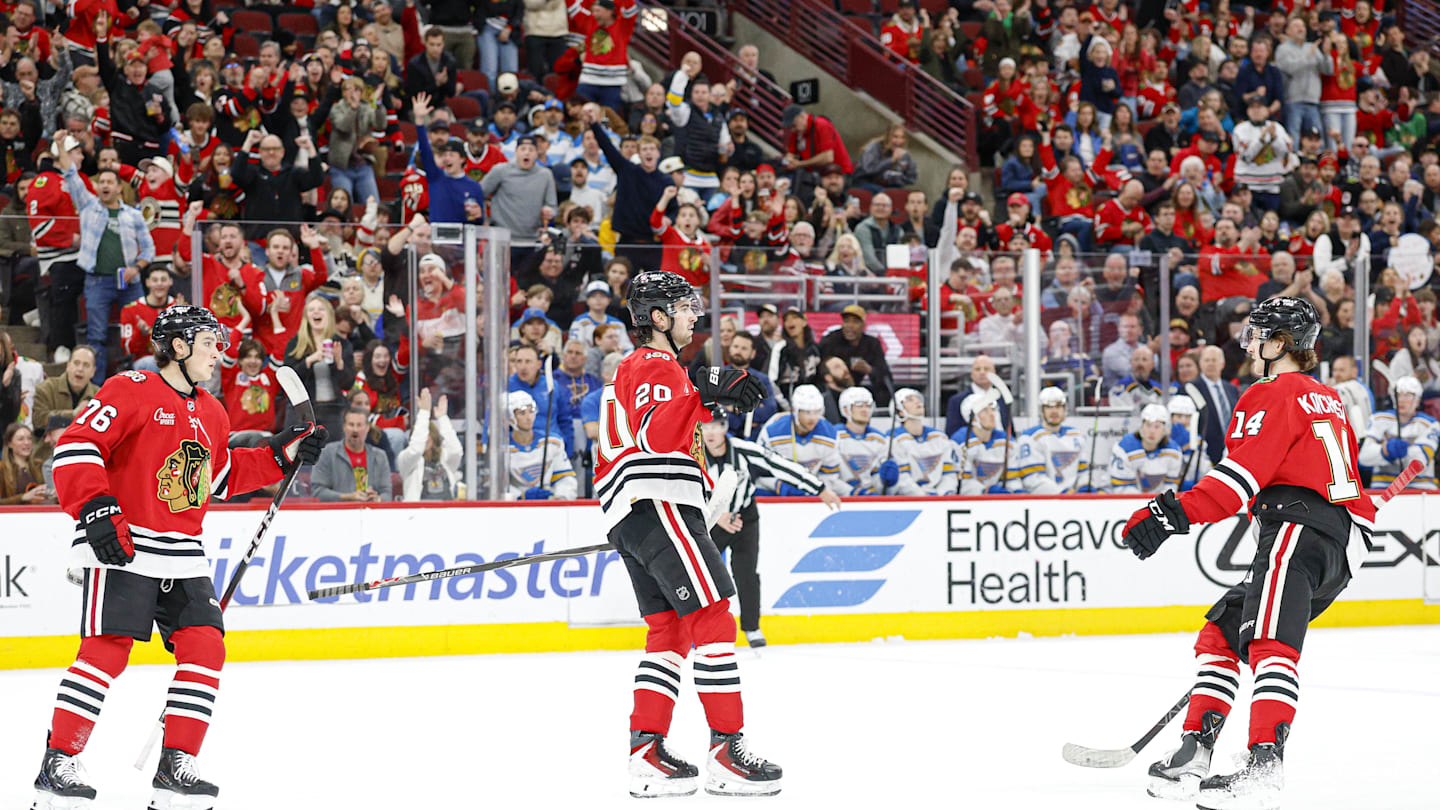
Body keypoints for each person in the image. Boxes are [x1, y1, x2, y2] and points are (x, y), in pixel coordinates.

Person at [30, 305, 324, 807]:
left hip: (183, 553)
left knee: (206, 647)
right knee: (107, 651)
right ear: (180, 346)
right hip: (125, 543)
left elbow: (218, 479)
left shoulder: (212, 410)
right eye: (210, 342)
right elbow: (77, 448)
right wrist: (96, 509)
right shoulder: (131, 389)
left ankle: (177, 764)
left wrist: (280, 455)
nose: (219, 352)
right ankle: (59, 759)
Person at [1122, 297, 1378, 810]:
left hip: (1298, 528)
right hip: (1336, 539)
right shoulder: (1325, 398)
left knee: (1269, 642)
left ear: (1280, 344)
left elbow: (1238, 479)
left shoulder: (1270, 393)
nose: (1251, 343)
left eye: (1260, 334)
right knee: (1223, 629)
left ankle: (1264, 770)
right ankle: (1195, 749)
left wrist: (1171, 514)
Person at [592, 270, 779, 798]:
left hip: (632, 515)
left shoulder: (637, 369)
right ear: (657, 318)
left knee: (669, 633)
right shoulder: (655, 363)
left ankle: (647, 751)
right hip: (660, 504)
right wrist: (702, 388)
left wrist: (703, 396)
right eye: (683, 307)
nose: (693, 316)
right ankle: (726, 752)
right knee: (716, 616)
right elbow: (656, 431)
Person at [702, 418, 840, 648]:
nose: (711, 433)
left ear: (726, 429)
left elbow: (780, 465)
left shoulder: (743, 450)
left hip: (745, 516)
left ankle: (752, 627)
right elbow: (685, 488)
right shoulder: (693, 454)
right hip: (709, 519)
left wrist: (819, 488)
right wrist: (715, 514)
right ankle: (699, 627)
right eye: (705, 427)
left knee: (746, 572)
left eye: (716, 426)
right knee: (703, 574)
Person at [55, 136, 153, 385]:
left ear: (120, 187)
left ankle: (138, 384)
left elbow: (149, 249)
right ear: (97, 186)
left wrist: (136, 268)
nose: (105, 185)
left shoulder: (133, 215)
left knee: (137, 333)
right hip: (97, 281)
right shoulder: (88, 206)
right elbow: (70, 174)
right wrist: (60, 144)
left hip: (130, 283)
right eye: (102, 182)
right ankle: (95, 389)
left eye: (111, 182)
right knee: (96, 336)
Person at [757, 384, 844, 494]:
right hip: (776, 493)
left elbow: (829, 474)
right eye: (807, 412)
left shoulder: (829, 434)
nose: (813, 418)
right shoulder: (773, 431)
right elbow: (759, 471)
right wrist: (779, 485)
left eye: (817, 412)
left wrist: (818, 490)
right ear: (795, 411)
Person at [1359, 375, 1439, 490]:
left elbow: (1420, 461)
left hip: (1420, 490)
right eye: (1398, 395)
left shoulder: (1430, 424)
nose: (1401, 400)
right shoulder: (1378, 419)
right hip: (1383, 489)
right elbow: (1364, 458)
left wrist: (1385, 450)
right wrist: (1386, 451)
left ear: (1417, 400)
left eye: (1407, 395)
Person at [505, 389, 577, 500]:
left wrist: (560, 497)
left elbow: (566, 478)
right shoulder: (502, 450)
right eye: (522, 413)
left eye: (531, 411)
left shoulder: (552, 443)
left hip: (549, 507)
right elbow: (498, 488)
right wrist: (519, 497)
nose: (529, 418)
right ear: (510, 418)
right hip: (516, 510)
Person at [1014, 386, 1088, 494]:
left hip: (1072, 500)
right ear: (1041, 410)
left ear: (1064, 409)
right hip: (1043, 503)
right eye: (1049, 407)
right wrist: (1063, 493)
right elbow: (1033, 480)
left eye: (1058, 406)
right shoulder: (1029, 438)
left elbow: (1083, 473)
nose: (1054, 411)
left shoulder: (1076, 436)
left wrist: (1084, 488)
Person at [311, 406, 393, 502]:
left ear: (368, 428)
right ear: (344, 427)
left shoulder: (380, 456)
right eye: (351, 424)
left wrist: (377, 499)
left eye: (359, 425)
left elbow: (387, 494)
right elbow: (317, 492)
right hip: (337, 513)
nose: (355, 429)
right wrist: (348, 497)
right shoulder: (327, 453)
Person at [891, 387, 958, 495]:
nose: (917, 401)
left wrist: (942, 495)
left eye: (918, 399)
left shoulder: (940, 437)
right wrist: (924, 498)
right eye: (910, 400)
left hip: (938, 499)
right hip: (910, 502)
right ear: (900, 412)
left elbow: (949, 475)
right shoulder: (893, 440)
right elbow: (902, 480)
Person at [1105, 403, 1183, 493]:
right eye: (1148, 425)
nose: (1152, 431)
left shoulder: (1174, 452)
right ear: (1141, 426)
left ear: (1165, 429)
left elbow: (1170, 486)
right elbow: (1122, 489)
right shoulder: (1125, 448)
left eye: (1157, 426)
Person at [834, 386, 897, 495]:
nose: (865, 410)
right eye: (859, 406)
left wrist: (888, 482)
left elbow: (883, 489)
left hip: (871, 502)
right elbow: (828, 479)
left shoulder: (880, 440)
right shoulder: (833, 437)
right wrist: (853, 493)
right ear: (845, 409)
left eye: (868, 406)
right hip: (840, 501)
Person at [951, 390, 1017, 494]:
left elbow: (1013, 478)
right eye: (985, 411)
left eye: (993, 409)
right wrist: (986, 491)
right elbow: (963, 483)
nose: (992, 414)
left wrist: (1016, 491)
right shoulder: (960, 441)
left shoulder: (1006, 440)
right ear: (972, 418)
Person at [32, 345, 99, 430]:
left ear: (93, 371)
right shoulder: (46, 388)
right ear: (68, 365)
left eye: (86, 365)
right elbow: (38, 420)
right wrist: (73, 414)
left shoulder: (100, 395)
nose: (80, 369)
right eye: (76, 363)